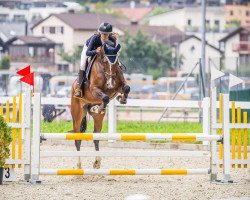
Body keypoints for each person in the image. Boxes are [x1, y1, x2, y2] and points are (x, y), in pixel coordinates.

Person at [74, 22, 119, 97]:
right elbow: (88, 52)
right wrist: (96, 51)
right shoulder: (95, 38)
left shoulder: (112, 40)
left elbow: (111, 53)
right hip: (89, 49)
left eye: (106, 34)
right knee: (82, 64)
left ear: (109, 34)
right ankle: (79, 88)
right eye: (103, 33)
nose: (104, 36)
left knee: (112, 62)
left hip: (103, 54)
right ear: (100, 33)